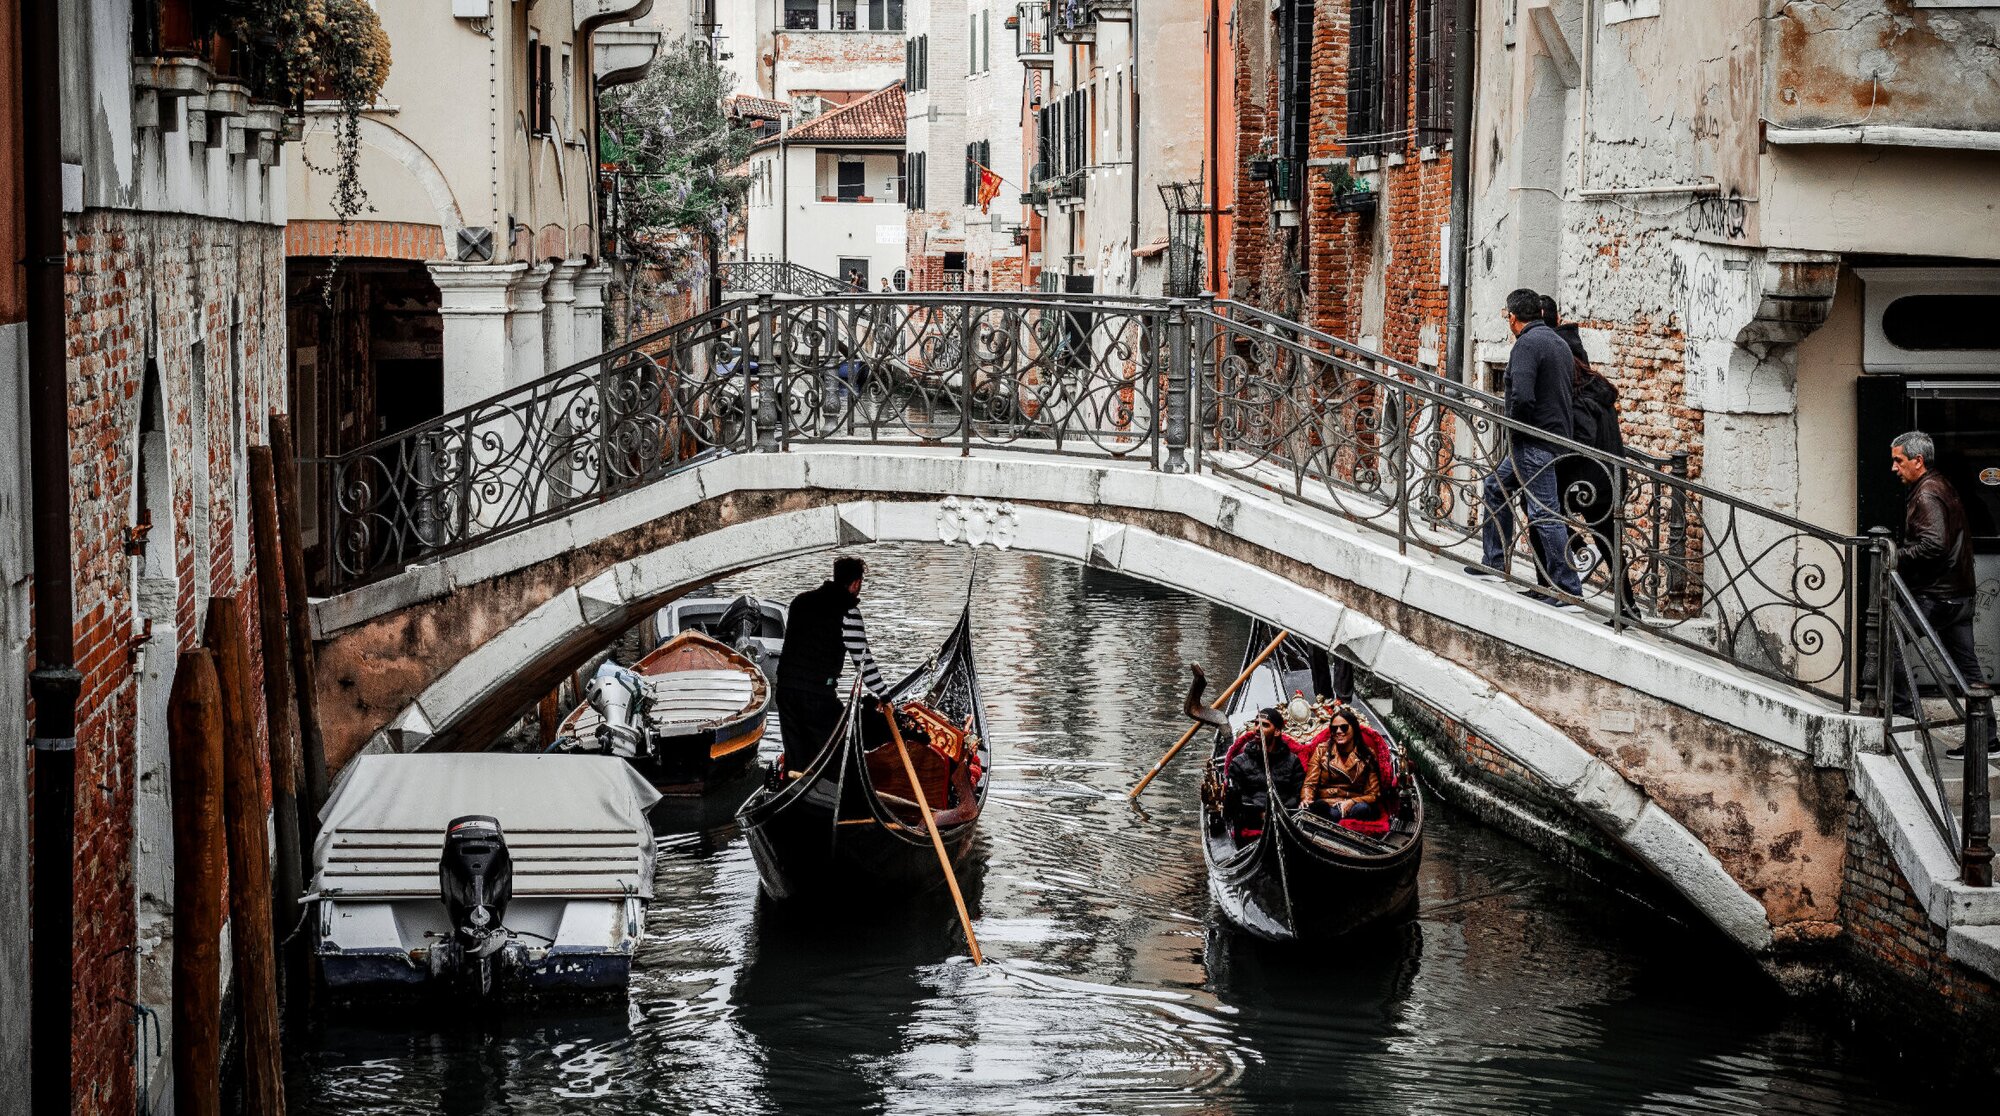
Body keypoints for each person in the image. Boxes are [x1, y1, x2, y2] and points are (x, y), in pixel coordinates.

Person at [1466, 288, 1584, 607]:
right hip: (1553, 438)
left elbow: (1522, 396)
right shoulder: (1557, 342)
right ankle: (1494, 561)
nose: (1507, 321)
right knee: (1495, 486)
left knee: (1544, 514)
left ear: (1513, 317)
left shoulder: (1526, 345)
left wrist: (1517, 430)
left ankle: (1568, 588)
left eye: (1506, 316)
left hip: (1533, 442)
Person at [1539, 296, 1640, 620]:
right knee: (1608, 539)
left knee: (1542, 511)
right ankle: (1627, 608)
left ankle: (1555, 582)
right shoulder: (1593, 385)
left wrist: (1552, 454)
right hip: (1608, 473)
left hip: (1589, 477)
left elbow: (1580, 438)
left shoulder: (1580, 394)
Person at [1890, 431, 1981, 749]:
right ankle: (1988, 738)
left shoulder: (1926, 493)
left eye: (1898, 460)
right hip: (1958, 595)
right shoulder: (1940, 485)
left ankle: (1902, 717)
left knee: (1892, 643)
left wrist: (1895, 556)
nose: (1894, 468)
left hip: (1937, 597)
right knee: (1968, 670)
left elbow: (1934, 544)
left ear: (1918, 460)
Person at [776, 557, 890, 768]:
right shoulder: (848, 611)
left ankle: (797, 790)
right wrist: (884, 694)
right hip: (816, 696)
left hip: (785, 691)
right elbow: (864, 663)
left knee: (797, 759)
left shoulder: (799, 602)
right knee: (839, 753)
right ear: (856, 583)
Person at [1224, 707, 1306, 833]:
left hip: (1286, 817)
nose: (1257, 728)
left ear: (1277, 731)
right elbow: (1239, 797)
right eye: (1256, 723)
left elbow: (1297, 794)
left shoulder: (1293, 761)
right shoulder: (1239, 763)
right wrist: (1261, 814)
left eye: (1264, 725)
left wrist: (1280, 812)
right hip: (1252, 819)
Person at [1300, 707, 1384, 823]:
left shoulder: (1367, 754)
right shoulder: (1321, 751)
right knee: (1322, 808)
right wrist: (1306, 799)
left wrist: (1352, 802)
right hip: (1327, 803)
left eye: (1344, 727)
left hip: (1355, 804)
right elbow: (1310, 784)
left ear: (1354, 729)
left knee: (1362, 809)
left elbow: (1374, 794)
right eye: (1334, 729)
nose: (1339, 731)